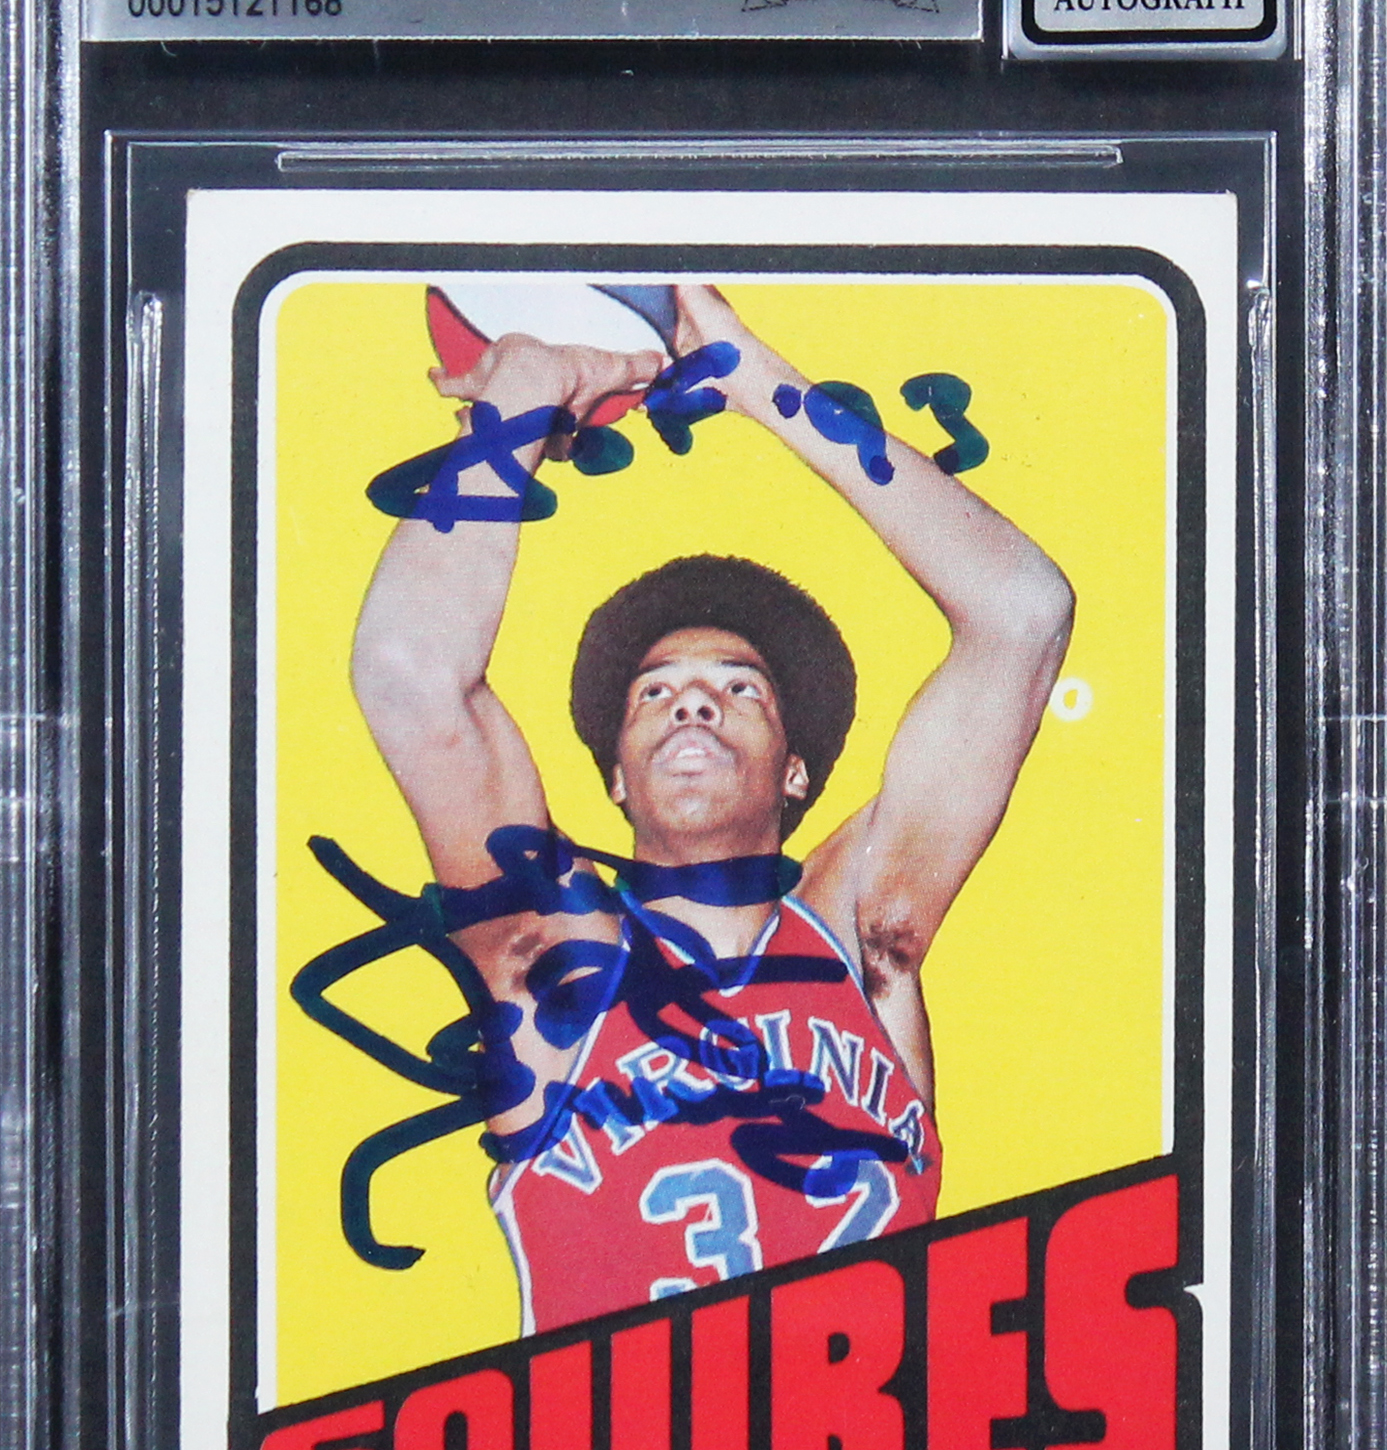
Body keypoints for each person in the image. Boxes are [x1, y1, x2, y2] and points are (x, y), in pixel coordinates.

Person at [350, 284, 1074, 1333]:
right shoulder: (552, 963)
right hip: (616, 1445)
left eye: (740, 688)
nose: (693, 700)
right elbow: (411, 677)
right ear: (615, 777)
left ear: (795, 770)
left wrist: (749, 374)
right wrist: (527, 391)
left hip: (867, 1442)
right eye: (654, 693)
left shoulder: (863, 937)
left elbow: (1024, 612)